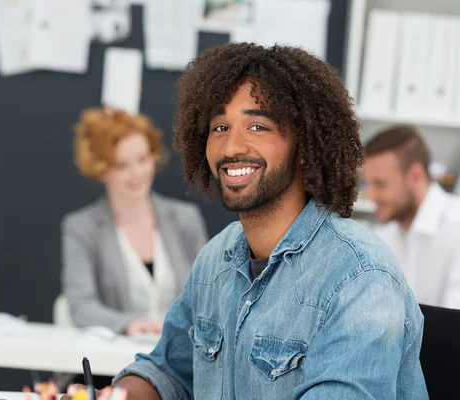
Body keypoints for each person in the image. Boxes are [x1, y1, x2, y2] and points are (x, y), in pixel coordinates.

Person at [63, 44, 428, 399]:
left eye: (257, 127)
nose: (231, 147)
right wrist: (115, 397)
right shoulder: (216, 258)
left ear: (304, 148)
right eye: (219, 127)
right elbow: (168, 371)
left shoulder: (360, 279)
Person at [61, 108, 208, 335]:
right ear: (101, 169)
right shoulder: (81, 228)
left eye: (142, 159)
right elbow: (81, 306)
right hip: (114, 361)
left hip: (182, 356)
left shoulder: (185, 218)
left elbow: (208, 295)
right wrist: (129, 324)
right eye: (122, 165)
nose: (136, 173)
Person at [362, 125, 460, 309]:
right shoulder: (386, 234)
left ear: (415, 176)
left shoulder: (456, 228)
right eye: (367, 184)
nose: (369, 196)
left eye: (380, 184)